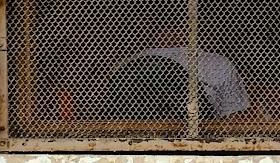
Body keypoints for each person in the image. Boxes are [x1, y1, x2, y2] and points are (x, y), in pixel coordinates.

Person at [107, 25, 249, 121]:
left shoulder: (123, 64)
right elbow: (233, 119)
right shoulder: (215, 63)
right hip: (197, 139)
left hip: (132, 141)